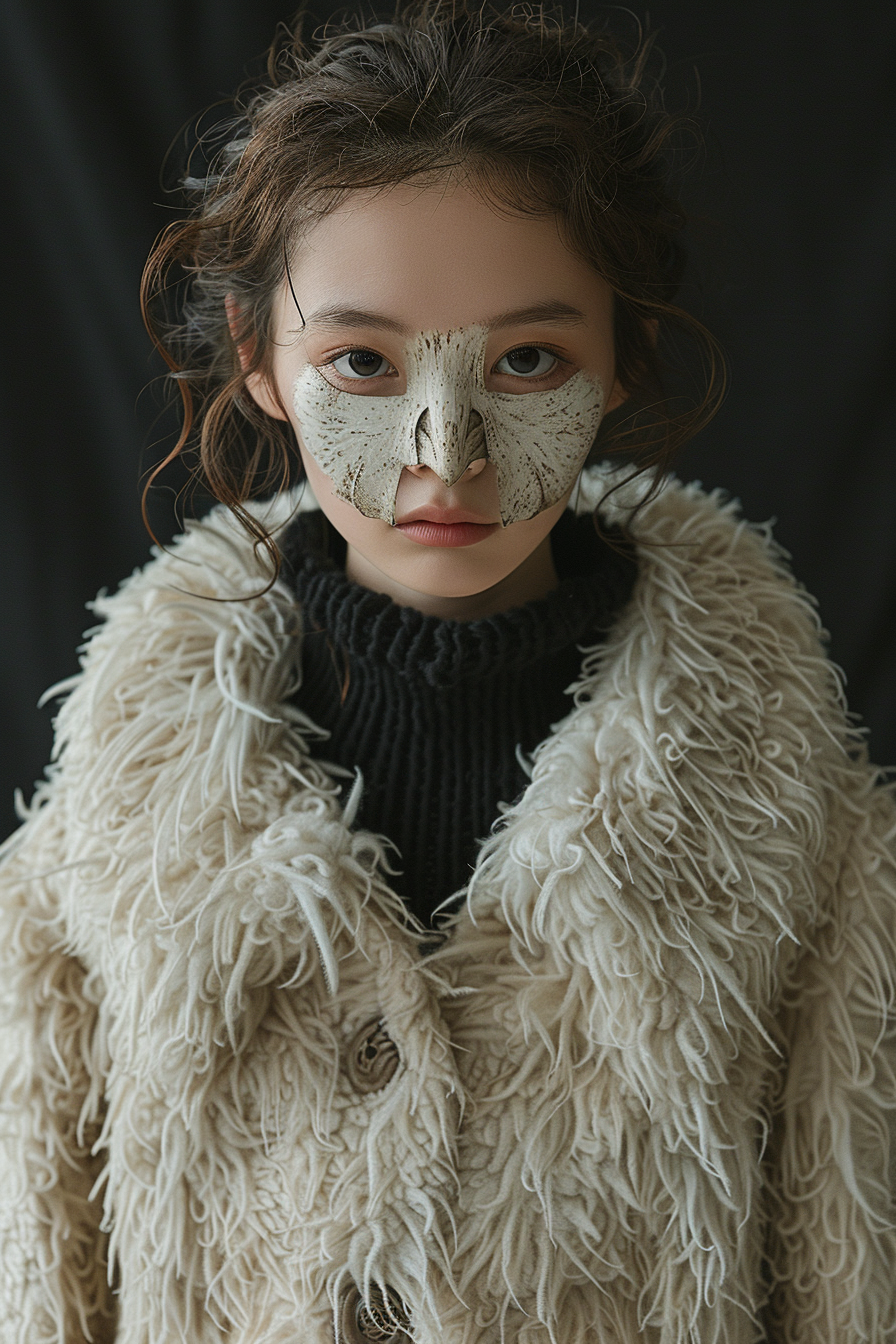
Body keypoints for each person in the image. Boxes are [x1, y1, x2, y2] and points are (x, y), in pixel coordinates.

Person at [1, 1, 894, 1339]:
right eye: (361, 361)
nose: (446, 449)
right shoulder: (92, 858)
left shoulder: (814, 853)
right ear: (260, 366)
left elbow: (849, 1285)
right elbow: (41, 1290)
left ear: (620, 362)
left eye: (528, 360)